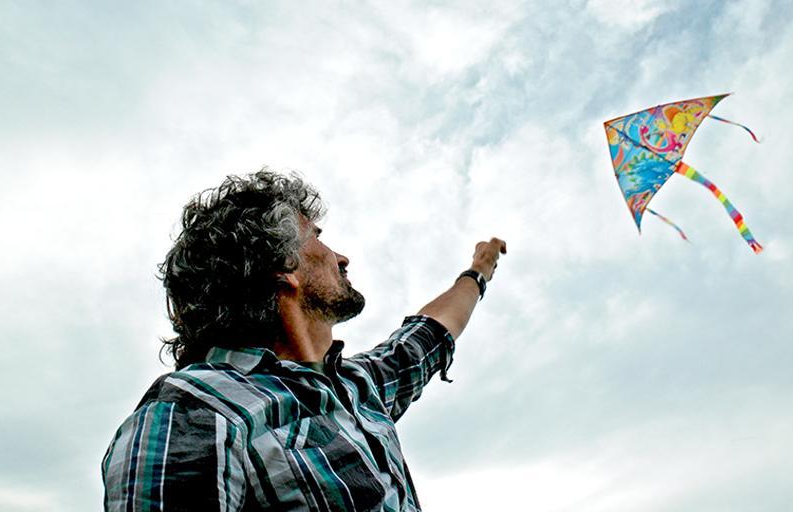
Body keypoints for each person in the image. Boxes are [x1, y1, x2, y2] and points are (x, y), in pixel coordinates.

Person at [101, 170, 506, 511]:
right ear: (283, 268)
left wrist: (478, 270)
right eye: (317, 236)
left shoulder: (358, 387)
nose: (341, 257)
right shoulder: (198, 406)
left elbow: (430, 331)